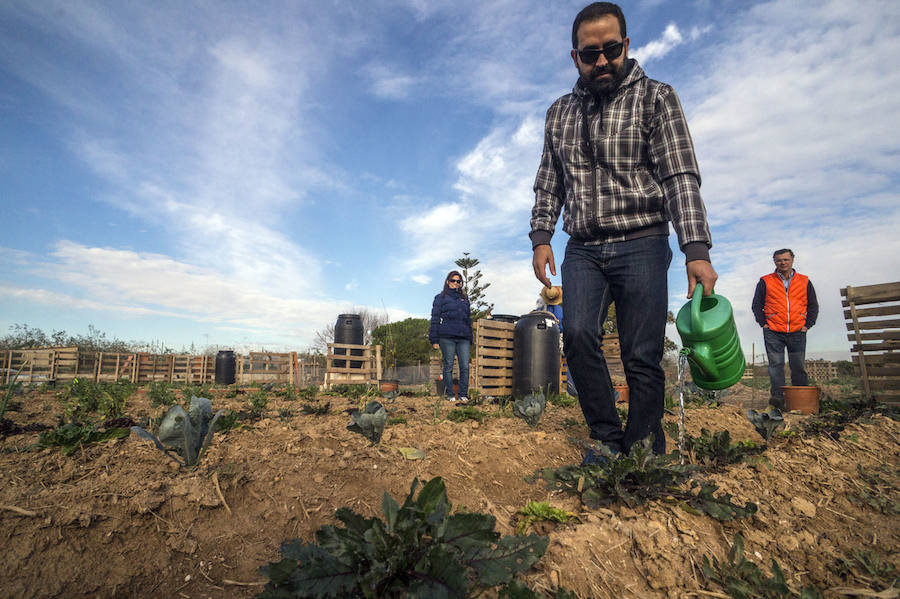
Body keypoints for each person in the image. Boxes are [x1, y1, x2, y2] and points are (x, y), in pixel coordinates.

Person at [529, 2, 717, 462]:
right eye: (589, 53)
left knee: (640, 353)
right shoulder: (559, 113)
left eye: (610, 49)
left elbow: (679, 175)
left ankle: (644, 450)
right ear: (575, 57)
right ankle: (608, 438)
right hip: (584, 247)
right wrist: (541, 236)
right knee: (576, 335)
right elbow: (549, 180)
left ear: (626, 46)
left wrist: (695, 248)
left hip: (643, 241)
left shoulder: (657, 98)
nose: (601, 61)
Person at [751, 249, 818, 410]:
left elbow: (813, 305)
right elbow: (756, 305)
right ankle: (778, 403)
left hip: (797, 331)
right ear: (774, 262)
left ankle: (800, 404)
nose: (783, 263)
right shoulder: (765, 281)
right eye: (779, 260)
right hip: (773, 331)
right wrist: (763, 324)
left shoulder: (804, 281)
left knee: (798, 366)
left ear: (792, 260)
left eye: (786, 259)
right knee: (776, 367)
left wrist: (807, 325)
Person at [429, 270, 473, 403]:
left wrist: (470, 337)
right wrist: (434, 339)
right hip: (447, 337)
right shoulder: (440, 298)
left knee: (465, 366)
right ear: (448, 282)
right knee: (448, 365)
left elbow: (468, 319)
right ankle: (450, 394)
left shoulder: (464, 299)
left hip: (463, 337)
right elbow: (435, 318)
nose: (456, 283)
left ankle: (463, 394)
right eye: (453, 280)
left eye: (458, 281)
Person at [536, 286, 578, 397]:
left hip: (540, 342)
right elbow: (564, 327)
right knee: (571, 356)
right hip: (556, 341)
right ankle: (571, 386)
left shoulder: (539, 310)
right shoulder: (560, 311)